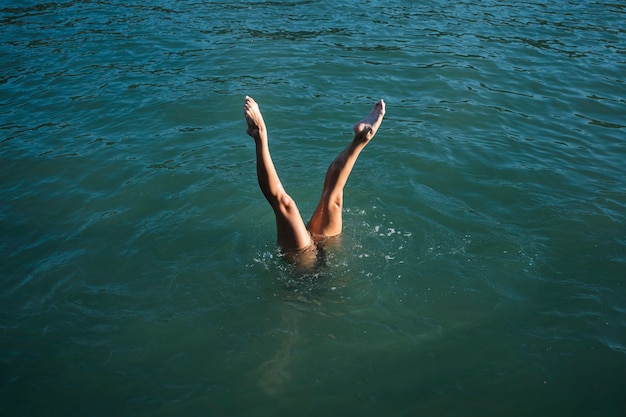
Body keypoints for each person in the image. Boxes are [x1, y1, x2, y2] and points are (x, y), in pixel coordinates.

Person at [243, 95, 386, 264]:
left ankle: (360, 141)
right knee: (303, 202)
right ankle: (360, 139)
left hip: (318, 258)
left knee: (332, 198)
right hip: (306, 265)